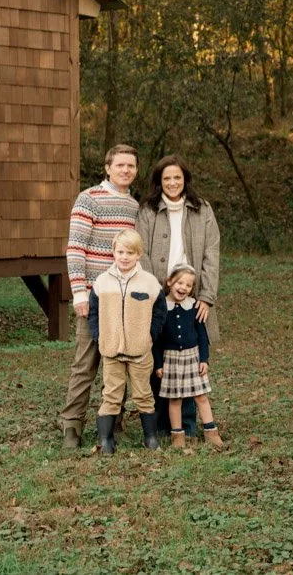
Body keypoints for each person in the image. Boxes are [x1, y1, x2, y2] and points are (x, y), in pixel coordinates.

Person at [58, 144, 141, 450]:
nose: (125, 170)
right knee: (85, 364)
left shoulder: (134, 206)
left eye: (130, 166)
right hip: (94, 298)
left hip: (126, 299)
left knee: (118, 364)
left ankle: (113, 423)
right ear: (108, 167)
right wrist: (79, 291)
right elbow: (76, 247)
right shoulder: (88, 199)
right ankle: (71, 425)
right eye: (120, 165)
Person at [136, 155, 221, 434]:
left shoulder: (202, 209)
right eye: (166, 178)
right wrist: (151, 293)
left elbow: (211, 253)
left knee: (190, 351)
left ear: (185, 179)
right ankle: (162, 425)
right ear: (159, 182)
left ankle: (188, 425)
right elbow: (142, 253)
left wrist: (206, 295)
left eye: (177, 177)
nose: (172, 183)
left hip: (190, 291)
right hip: (158, 293)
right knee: (161, 350)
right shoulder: (148, 210)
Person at [91, 230, 162, 454]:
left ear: (138, 254)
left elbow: (160, 312)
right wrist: (99, 336)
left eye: (129, 253)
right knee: (111, 394)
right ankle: (106, 440)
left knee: (143, 394)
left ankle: (150, 438)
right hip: (112, 351)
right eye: (120, 252)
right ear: (113, 252)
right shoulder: (102, 282)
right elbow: (93, 312)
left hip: (140, 351)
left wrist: (149, 335)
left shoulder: (149, 282)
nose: (124, 257)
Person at [151, 265, 223, 451]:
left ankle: (211, 432)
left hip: (192, 357)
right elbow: (157, 341)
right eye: (179, 282)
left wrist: (204, 360)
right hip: (171, 360)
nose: (183, 287)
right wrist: (158, 363)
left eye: (188, 285)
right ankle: (178, 436)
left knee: (201, 396)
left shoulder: (193, 306)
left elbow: (202, 336)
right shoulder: (161, 308)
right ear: (169, 282)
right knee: (175, 400)